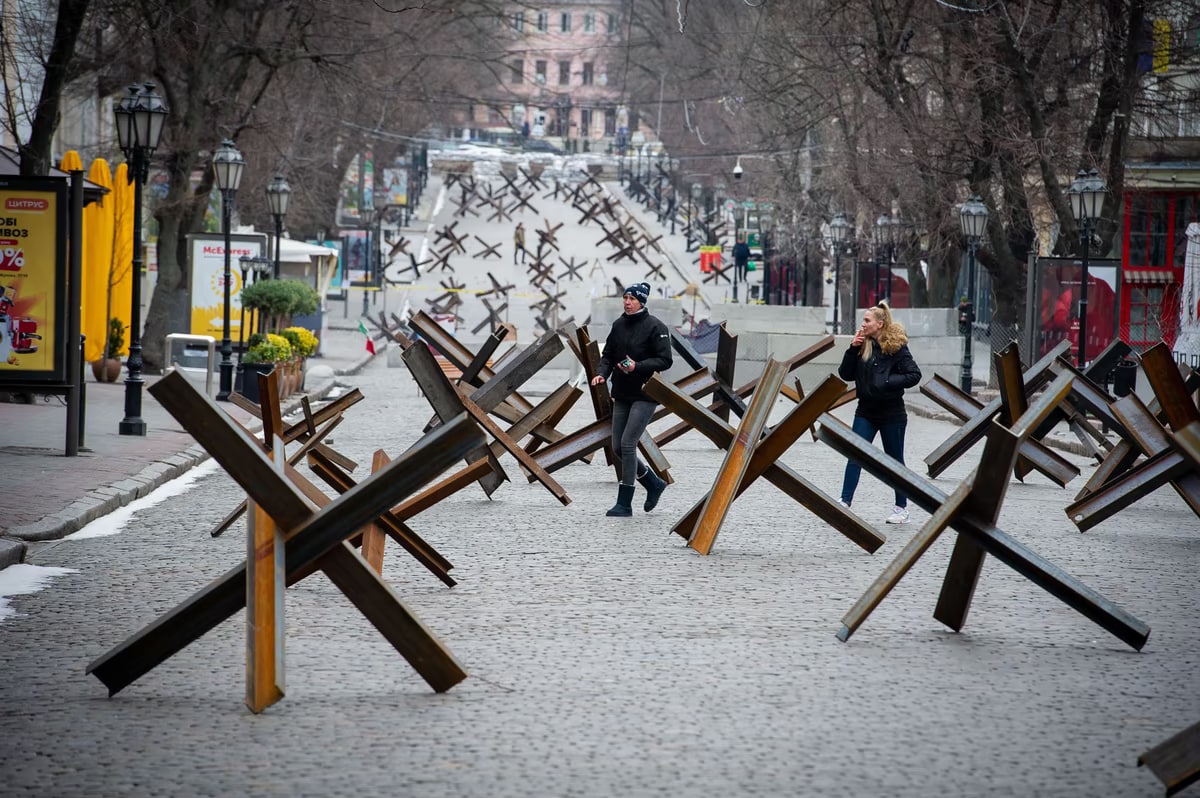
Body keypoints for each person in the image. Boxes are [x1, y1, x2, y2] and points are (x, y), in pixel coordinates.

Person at [590, 282, 673, 517]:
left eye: (632, 299)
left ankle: (624, 503)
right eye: (625, 298)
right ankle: (654, 484)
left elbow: (665, 360)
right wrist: (601, 374)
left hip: (645, 394)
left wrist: (638, 366)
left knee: (628, 444)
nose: (627, 302)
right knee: (617, 447)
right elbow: (607, 356)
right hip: (622, 393)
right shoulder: (618, 325)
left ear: (642, 302)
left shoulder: (656, 327)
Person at [836, 301, 922, 524]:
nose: (862, 325)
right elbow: (845, 374)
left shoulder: (896, 347)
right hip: (865, 411)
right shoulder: (862, 346)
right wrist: (852, 348)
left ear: (880, 324)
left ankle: (901, 507)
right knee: (855, 454)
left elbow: (914, 375)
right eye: (863, 321)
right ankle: (844, 502)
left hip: (891, 413)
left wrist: (887, 381)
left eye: (867, 321)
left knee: (894, 461)